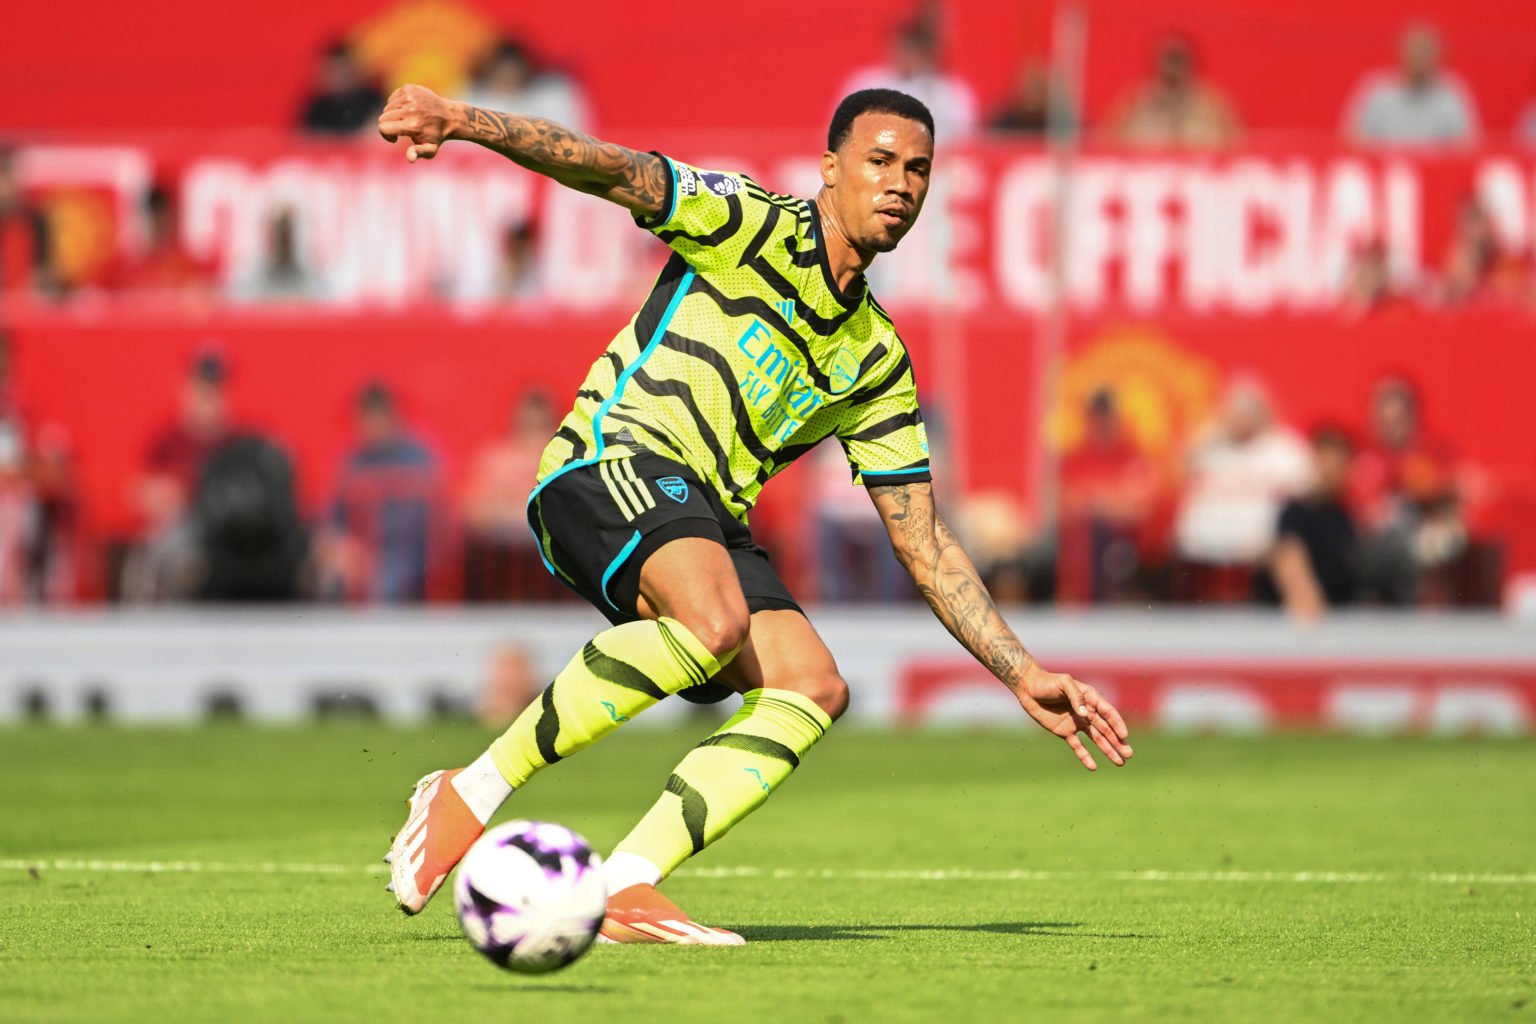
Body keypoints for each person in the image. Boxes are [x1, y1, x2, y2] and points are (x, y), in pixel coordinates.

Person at [375, 83, 1133, 943]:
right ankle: (467, 791)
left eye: (918, 170)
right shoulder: (750, 223)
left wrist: (1021, 671)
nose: (900, 185)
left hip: (701, 514)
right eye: (880, 162)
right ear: (831, 170)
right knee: (714, 619)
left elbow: (922, 543)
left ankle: (624, 885)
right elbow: (609, 168)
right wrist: (462, 120)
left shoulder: (875, 359)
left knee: (812, 686)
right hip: (607, 460)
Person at [1173, 378, 1311, 600]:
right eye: (1234, 411)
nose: (1241, 418)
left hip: (1267, 553)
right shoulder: (1211, 447)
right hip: (1204, 548)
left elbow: (1304, 503)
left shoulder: (1284, 449)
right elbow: (1175, 476)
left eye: (1247, 411)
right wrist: (1204, 436)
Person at [320, 382, 441, 603]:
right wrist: (340, 545)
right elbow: (332, 517)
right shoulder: (352, 461)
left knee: (385, 579)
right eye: (365, 419)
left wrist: (373, 553)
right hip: (360, 552)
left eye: (377, 417)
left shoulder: (418, 458)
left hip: (409, 553)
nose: (371, 426)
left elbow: (423, 523)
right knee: (328, 576)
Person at [1255, 427, 1361, 621]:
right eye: (1325, 462)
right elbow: (1293, 571)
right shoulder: (1295, 513)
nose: (1331, 471)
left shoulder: (1344, 518)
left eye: (1338, 464)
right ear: (1313, 462)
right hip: (1301, 631)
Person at [1343, 24, 1479, 147]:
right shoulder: (1377, 90)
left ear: (1440, 55)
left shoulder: (1452, 93)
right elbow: (1352, 139)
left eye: (1426, 50)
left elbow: (1467, 144)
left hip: (1439, 173)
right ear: (1401, 51)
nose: (1420, 56)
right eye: (1416, 49)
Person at [838, 21, 979, 139]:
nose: (906, 56)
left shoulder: (948, 89)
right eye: (902, 48)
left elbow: (965, 135)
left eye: (912, 49)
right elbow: (840, 127)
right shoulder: (866, 82)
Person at [1107, 33, 1240, 149]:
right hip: (1146, 171)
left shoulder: (1212, 102)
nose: (1173, 63)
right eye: (1169, 56)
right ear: (1155, 59)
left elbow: (1237, 144)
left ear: (1191, 59)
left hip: (1200, 171)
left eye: (1178, 57)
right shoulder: (1134, 100)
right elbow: (1109, 143)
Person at [466, 40, 590, 133]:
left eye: (513, 74)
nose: (508, 80)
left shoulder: (549, 99)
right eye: (502, 75)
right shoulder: (472, 102)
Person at [299, 42, 386, 136]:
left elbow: (381, 137)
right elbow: (305, 138)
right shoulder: (318, 107)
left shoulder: (374, 101)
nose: (339, 77)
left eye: (343, 71)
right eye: (333, 72)